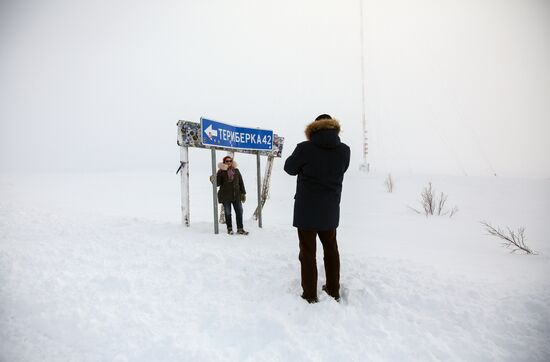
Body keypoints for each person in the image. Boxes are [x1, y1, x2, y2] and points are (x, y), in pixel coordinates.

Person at [284, 114, 350, 303]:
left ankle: (310, 294)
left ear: (314, 128)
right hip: (330, 209)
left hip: (306, 210)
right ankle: (333, 290)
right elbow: (341, 169)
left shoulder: (304, 148)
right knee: (331, 249)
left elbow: (289, 168)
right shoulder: (344, 151)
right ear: (334, 128)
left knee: (307, 252)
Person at [214, 155, 248, 235]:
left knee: (239, 211)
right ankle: (229, 229)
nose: (229, 162)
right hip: (226, 196)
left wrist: (243, 193)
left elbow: (241, 182)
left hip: (236, 196)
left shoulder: (236, 171)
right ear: (224, 162)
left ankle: (240, 229)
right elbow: (217, 184)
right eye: (227, 161)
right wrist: (213, 179)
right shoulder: (221, 172)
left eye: (230, 161)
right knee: (228, 213)